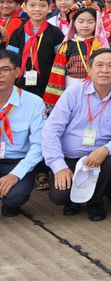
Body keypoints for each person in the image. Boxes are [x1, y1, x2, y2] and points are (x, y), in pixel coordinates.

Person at [41, 49, 111, 221]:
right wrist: (59, 166)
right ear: (89, 69)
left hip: (100, 159)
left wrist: (106, 149)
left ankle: (95, 201)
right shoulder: (73, 93)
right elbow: (50, 131)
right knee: (59, 196)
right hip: (70, 157)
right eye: (99, 65)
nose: (104, 70)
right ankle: (73, 199)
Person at [0, 51, 47, 217]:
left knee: (14, 196)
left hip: (16, 161)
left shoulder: (33, 103)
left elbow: (38, 145)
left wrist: (15, 174)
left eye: (5, 69)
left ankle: (10, 205)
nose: (0, 75)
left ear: (18, 72)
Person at [42, 2, 110, 112]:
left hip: (97, 86)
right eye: (81, 21)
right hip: (72, 85)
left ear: (97, 23)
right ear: (74, 23)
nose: (85, 25)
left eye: (90, 22)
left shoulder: (101, 46)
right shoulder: (66, 46)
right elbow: (57, 73)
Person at [6, 0, 64, 98]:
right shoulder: (18, 33)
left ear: (49, 8)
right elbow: (11, 58)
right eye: (32, 5)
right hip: (21, 81)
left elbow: (60, 58)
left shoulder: (56, 33)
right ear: (25, 8)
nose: (37, 9)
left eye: (42, 6)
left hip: (47, 82)